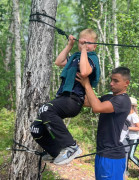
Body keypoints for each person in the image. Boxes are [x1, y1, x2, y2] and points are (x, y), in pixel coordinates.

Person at [30, 28, 101, 165]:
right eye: (82, 42)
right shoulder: (75, 57)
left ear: (94, 46)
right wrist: (70, 45)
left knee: (46, 109)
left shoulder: (92, 58)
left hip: (74, 100)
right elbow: (59, 61)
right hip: (63, 98)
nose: (84, 45)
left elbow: (85, 71)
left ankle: (72, 146)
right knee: (36, 127)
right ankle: (55, 152)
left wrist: (85, 50)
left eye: (88, 43)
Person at [76, 67, 131, 180]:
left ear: (126, 83)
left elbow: (97, 107)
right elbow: (86, 102)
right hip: (102, 153)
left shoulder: (123, 100)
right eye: (111, 80)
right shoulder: (109, 97)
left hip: (112, 156)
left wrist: (87, 85)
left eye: (116, 81)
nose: (111, 83)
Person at [120, 97, 139, 179]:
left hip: (134, 138)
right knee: (126, 154)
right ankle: (125, 171)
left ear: (131, 106)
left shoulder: (134, 116)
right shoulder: (126, 114)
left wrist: (128, 128)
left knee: (131, 155)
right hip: (127, 137)